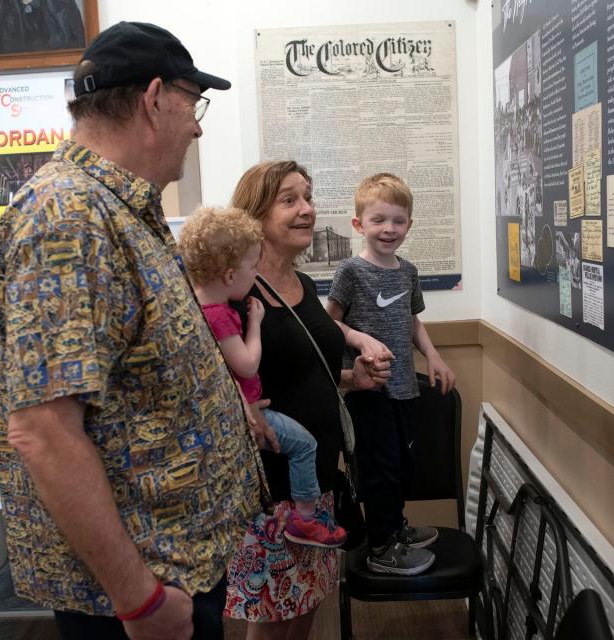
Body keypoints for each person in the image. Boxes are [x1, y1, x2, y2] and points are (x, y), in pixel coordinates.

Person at [0, 22, 269, 640]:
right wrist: (139, 601)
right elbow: (42, 432)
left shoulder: (118, 208)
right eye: (193, 103)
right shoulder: (69, 216)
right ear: (154, 97)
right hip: (143, 594)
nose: (196, 124)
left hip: (178, 570)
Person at [223, 161, 392, 639]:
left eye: (308, 197)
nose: (307, 210)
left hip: (315, 491)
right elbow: (213, 380)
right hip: (271, 494)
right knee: (274, 625)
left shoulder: (304, 286)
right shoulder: (237, 294)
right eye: (290, 200)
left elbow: (303, 375)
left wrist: (352, 380)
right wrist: (240, 408)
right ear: (254, 215)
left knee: (303, 617)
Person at [178, 206, 347, 548]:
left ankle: (307, 515)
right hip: (263, 468)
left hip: (306, 456)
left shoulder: (213, 304)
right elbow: (247, 366)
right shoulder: (223, 313)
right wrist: (255, 324)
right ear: (228, 275)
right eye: (250, 267)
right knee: (303, 444)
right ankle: (305, 519)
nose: (254, 275)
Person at [327, 173, 456, 576]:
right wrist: (359, 337)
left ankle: (395, 528)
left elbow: (413, 321)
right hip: (369, 389)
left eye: (398, 221)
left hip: (403, 390)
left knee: (401, 465)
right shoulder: (350, 271)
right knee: (379, 470)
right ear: (358, 225)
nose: (389, 229)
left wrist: (433, 357)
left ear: (409, 225)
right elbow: (330, 323)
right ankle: (381, 545)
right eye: (379, 220)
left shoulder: (408, 271)